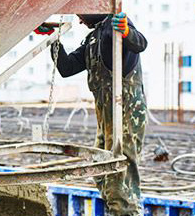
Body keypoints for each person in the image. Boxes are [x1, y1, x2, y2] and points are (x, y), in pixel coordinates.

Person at [45, 13, 148, 216]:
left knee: (120, 171)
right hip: (106, 118)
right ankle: (114, 210)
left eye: (81, 16)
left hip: (126, 113)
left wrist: (126, 32)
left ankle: (126, 212)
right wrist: (53, 39)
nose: (81, 21)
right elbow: (67, 67)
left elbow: (140, 43)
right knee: (101, 169)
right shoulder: (93, 39)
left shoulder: (113, 25)